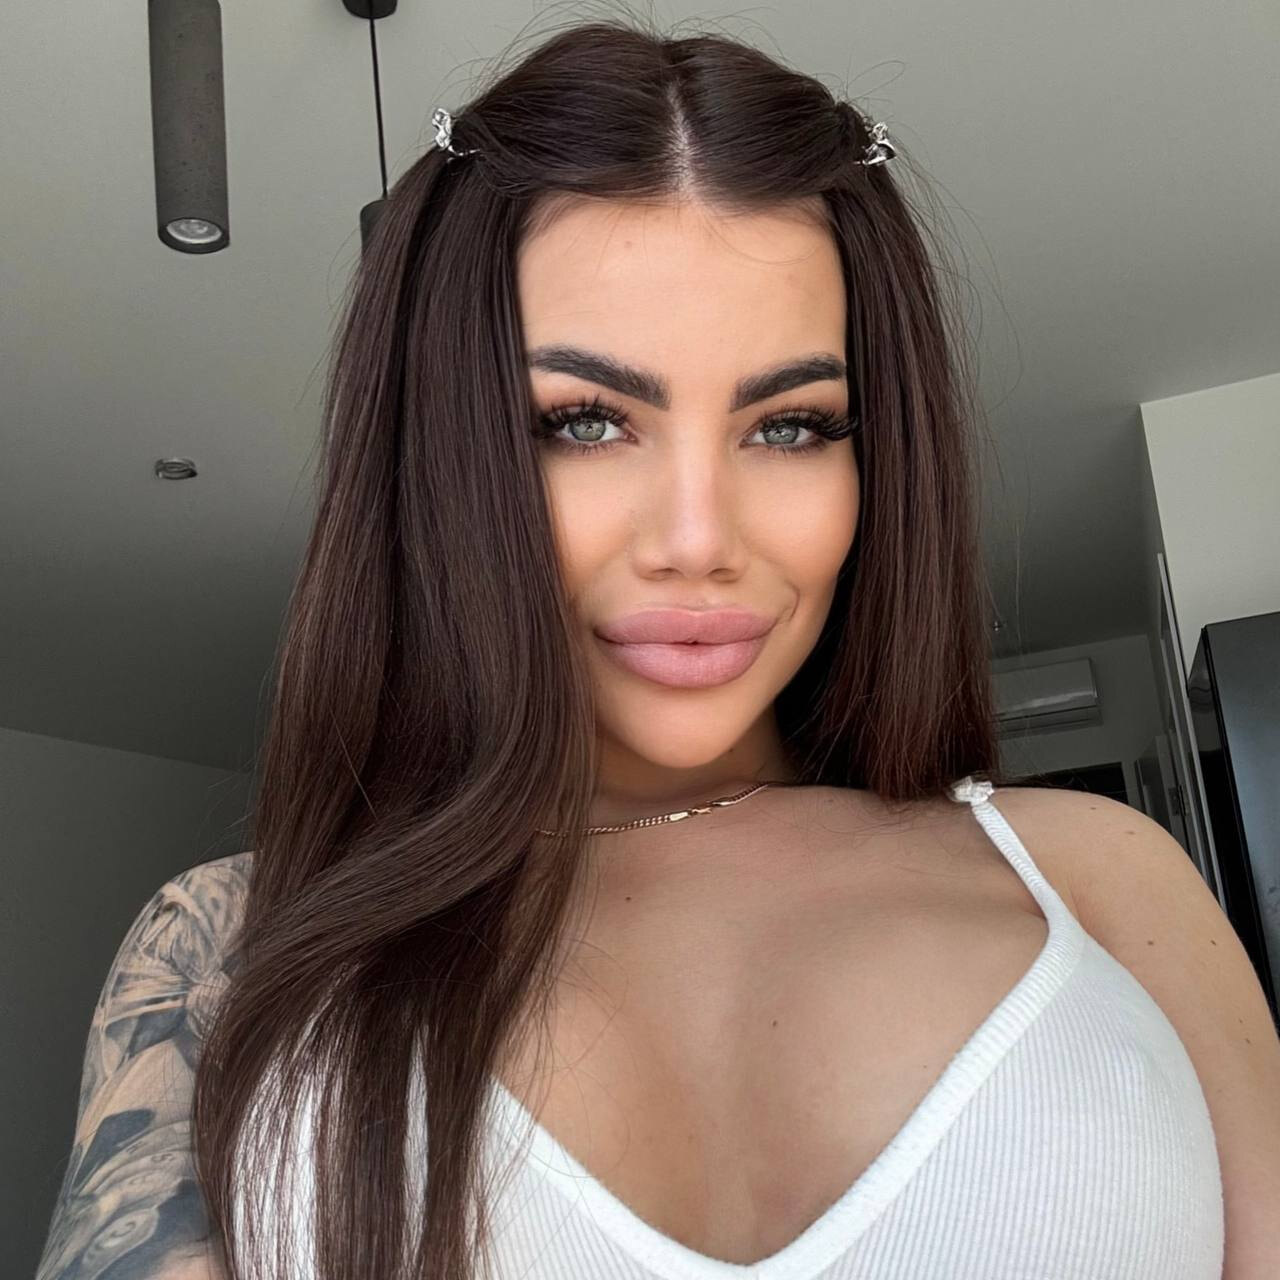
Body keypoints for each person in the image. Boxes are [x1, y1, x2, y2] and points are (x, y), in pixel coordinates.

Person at [35, 15, 1280, 1280]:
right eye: (582, 420)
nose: (697, 539)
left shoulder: (1095, 878)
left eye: (789, 425)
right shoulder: (222, 948)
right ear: (438, 453)